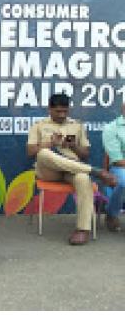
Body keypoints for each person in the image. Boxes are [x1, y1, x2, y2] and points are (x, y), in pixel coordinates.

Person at [27, 93, 116, 245]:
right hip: (48, 171)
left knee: (83, 178)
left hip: (72, 170)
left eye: (65, 111)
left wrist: (73, 146)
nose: (62, 115)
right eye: (58, 111)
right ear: (49, 109)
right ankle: (96, 171)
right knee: (43, 153)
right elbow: (30, 152)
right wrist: (50, 143)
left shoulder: (77, 125)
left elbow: (85, 154)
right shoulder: (38, 125)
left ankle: (83, 230)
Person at [102, 103, 125, 232]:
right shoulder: (111, 128)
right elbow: (117, 160)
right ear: (123, 107)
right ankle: (112, 213)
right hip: (120, 167)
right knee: (123, 182)